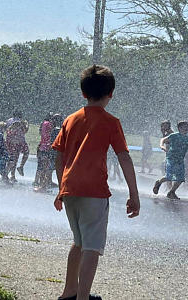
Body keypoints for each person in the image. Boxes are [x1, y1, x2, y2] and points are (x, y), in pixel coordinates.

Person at [52, 65, 140, 300]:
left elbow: (58, 155)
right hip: (94, 192)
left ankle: (68, 292)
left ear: (83, 93)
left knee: (79, 242)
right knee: (92, 247)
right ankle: (83, 297)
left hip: (70, 189)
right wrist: (134, 194)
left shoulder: (71, 119)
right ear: (111, 93)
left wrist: (61, 187)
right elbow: (124, 156)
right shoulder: (111, 122)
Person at [153, 121, 188, 200]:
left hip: (180, 161)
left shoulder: (187, 138)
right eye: (184, 127)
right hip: (171, 159)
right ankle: (158, 182)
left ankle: (171, 192)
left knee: (181, 178)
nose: (186, 129)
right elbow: (163, 139)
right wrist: (162, 146)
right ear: (179, 128)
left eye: (187, 127)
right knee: (169, 177)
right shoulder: (174, 135)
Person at [5, 111, 29, 182]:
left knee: (12, 159)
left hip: (10, 141)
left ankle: (12, 175)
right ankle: (19, 167)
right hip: (19, 141)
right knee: (24, 154)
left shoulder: (9, 120)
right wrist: (27, 124)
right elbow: (25, 131)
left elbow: (7, 129)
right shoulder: (21, 122)